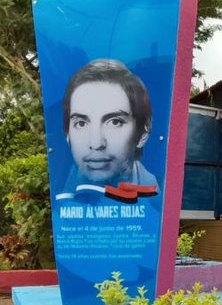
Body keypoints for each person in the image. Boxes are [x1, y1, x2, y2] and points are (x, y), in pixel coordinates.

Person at [57, 59, 156, 200]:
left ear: (144, 132)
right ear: (68, 134)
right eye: (81, 123)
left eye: (115, 122)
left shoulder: (160, 200)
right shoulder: (62, 201)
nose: (96, 143)